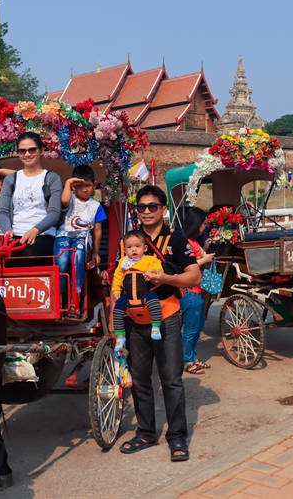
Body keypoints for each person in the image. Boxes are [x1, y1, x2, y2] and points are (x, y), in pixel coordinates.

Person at [117, 185, 200, 463]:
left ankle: (177, 437)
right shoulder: (130, 240)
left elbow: (194, 277)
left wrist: (166, 280)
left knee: (171, 380)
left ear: (164, 209)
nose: (147, 211)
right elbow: (118, 276)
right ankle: (145, 433)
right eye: (142, 207)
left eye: (153, 206)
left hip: (165, 315)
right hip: (133, 318)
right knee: (140, 380)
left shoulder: (176, 240)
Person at [0, 132, 63, 265]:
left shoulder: (51, 178)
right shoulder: (11, 179)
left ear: (41, 151)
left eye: (32, 150)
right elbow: (3, 211)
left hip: (42, 234)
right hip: (15, 235)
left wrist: (35, 230)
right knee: (3, 260)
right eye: (22, 151)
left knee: (29, 257)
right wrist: (7, 230)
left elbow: (54, 213)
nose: (27, 154)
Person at [53, 165, 106, 313]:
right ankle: (61, 298)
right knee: (62, 262)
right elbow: (63, 202)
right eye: (80, 186)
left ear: (94, 185)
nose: (84, 189)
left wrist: (96, 252)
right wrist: (69, 183)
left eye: (88, 185)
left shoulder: (96, 206)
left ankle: (77, 297)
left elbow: (97, 230)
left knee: (78, 257)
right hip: (63, 235)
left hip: (82, 238)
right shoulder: (70, 199)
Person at [176, 206, 214, 374]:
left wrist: (204, 248)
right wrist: (204, 259)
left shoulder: (193, 242)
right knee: (191, 330)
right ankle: (188, 361)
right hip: (189, 292)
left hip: (197, 291)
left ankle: (193, 357)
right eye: (203, 223)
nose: (204, 227)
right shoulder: (184, 242)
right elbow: (182, 268)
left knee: (197, 328)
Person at [111, 230, 164, 342]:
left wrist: (152, 274)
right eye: (129, 247)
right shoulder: (123, 262)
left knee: (154, 303)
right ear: (125, 250)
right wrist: (116, 291)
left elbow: (159, 270)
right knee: (117, 311)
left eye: (137, 246)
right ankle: (120, 337)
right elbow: (117, 277)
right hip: (128, 296)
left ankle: (155, 327)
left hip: (145, 292)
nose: (133, 249)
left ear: (144, 248)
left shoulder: (150, 260)